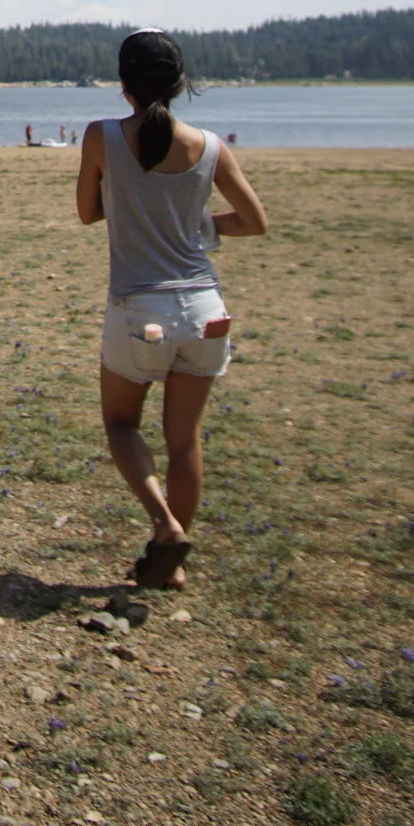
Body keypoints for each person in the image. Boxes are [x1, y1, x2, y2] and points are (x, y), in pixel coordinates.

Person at [76, 31, 268, 590]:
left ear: (123, 85)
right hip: (207, 309)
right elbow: (255, 221)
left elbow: (88, 213)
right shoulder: (210, 146)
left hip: (140, 309)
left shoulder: (100, 136)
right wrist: (198, 226)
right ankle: (173, 567)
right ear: (182, 84)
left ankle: (164, 526)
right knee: (184, 441)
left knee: (120, 424)